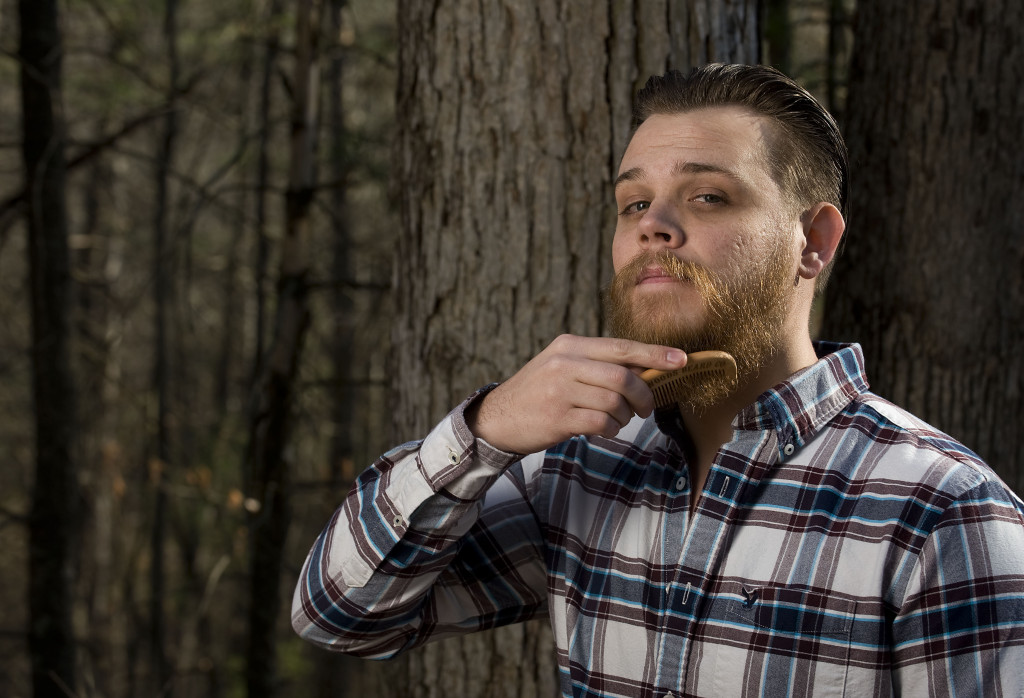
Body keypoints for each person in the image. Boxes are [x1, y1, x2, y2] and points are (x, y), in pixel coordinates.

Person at [291, 64, 1024, 697]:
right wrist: (486, 429)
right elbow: (339, 614)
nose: (653, 225)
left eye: (708, 197)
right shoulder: (580, 468)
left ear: (814, 241)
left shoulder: (945, 512)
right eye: (634, 204)